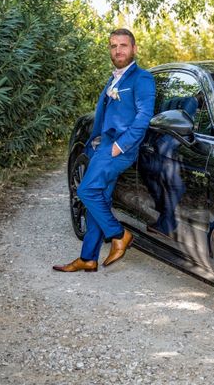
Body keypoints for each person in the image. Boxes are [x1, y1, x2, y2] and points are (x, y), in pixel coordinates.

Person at [53, 28, 156, 272]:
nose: (118, 50)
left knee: (86, 191)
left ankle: (119, 234)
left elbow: (143, 116)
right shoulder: (114, 79)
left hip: (118, 148)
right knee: (99, 198)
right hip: (104, 146)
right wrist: (95, 141)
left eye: (123, 45)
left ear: (134, 48)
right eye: (113, 46)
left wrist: (120, 146)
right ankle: (88, 257)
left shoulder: (141, 78)